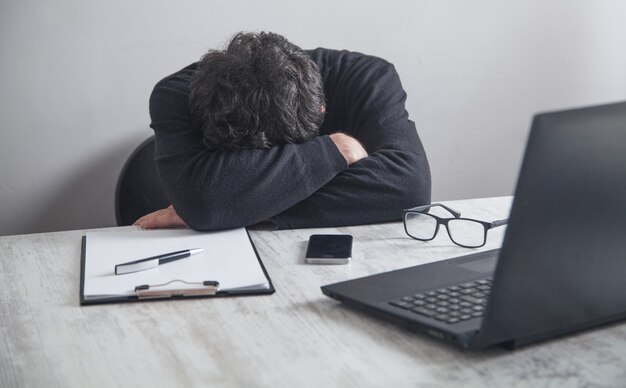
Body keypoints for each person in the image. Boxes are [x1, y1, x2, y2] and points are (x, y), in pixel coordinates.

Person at [135, 32, 431, 230]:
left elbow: (408, 189)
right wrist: (335, 150)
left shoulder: (369, 79)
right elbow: (203, 202)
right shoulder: (176, 95)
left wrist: (231, 208)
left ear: (321, 110)